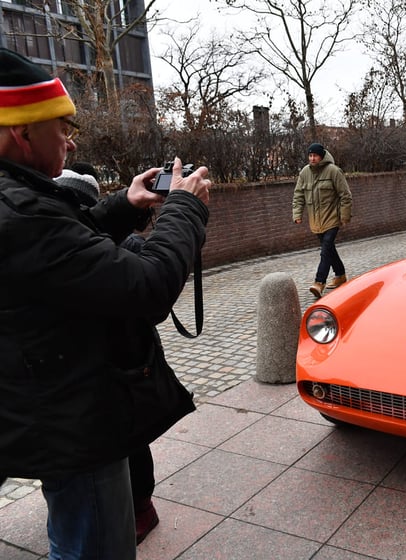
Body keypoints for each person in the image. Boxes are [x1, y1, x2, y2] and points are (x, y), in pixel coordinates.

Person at [0, 47, 211, 558]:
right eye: (62, 127)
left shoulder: (18, 199)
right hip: (69, 413)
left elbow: (61, 250)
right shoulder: (22, 211)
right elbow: (147, 286)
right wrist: (184, 209)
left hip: (35, 397)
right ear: (20, 132)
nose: (71, 141)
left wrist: (123, 205)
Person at [55, 164, 160, 544]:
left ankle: (142, 506)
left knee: (132, 444)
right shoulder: (55, 241)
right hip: (87, 375)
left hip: (126, 366)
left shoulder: (124, 246)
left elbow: (154, 297)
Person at [292, 142, 353, 299]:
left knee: (325, 250)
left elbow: (345, 195)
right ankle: (340, 275)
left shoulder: (333, 171)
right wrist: (297, 214)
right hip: (316, 221)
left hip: (332, 218)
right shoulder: (305, 173)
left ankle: (319, 282)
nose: (312, 158)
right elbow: (298, 195)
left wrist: (344, 216)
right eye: (310, 155)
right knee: (330, 249)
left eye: (315, 156)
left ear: (322, 156)